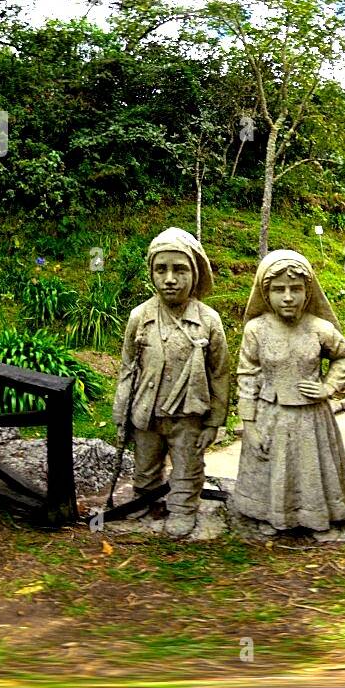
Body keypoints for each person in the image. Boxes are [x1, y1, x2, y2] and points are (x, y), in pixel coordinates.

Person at [112, 228, 229, 537]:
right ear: (151, 272)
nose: (170, 278)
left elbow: (219, 373)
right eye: (161, 269)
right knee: (145, 466)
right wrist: (120, 415)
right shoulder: (140, 317)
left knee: (188, 467)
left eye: (180, 270)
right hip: (146, 412)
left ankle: (182, 509)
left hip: (188, 416)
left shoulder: (208, 321)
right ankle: (146, 500)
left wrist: (214, 422)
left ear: (195, 272)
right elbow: (127, 368)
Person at [232, 250, 345, 532]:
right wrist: (249, 424)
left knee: (310, 469)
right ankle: (271, 511)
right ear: (266, 293)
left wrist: (328, 387)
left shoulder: (319, 328)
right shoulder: (256, 330)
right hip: (270, 415)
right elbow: (247, 374)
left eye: (295, 289)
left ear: (307, 291)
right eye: (278, 289)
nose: (287, 297)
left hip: (312, 419)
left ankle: (314, 512)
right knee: (274, 468)